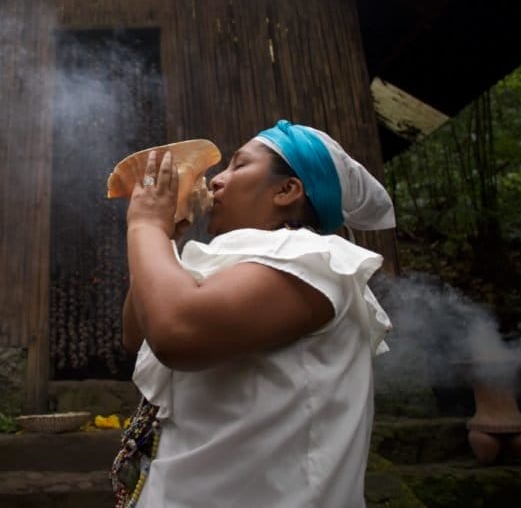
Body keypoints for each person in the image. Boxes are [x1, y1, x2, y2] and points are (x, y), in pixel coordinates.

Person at [112, 119, 395, 508]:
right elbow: (139, 333)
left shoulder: (313, 261)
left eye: (239, 165)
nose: (216, 181)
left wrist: (146, 226)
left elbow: (175, 333)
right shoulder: (230, 267)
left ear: (286, 190)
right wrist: (166, 236)